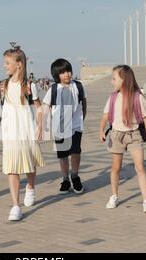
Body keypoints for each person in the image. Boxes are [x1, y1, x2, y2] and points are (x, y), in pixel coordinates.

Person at [0, 47, 45, 221]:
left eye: (7, 62)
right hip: (10, 132)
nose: (4, 65)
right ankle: (16, 205)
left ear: (19, 65)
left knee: (29, 164)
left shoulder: (29, 86)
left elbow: (39, 109)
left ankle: (30, 187)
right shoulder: (3, 85)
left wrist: (39, 127)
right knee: (12, 168)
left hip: (26, 130)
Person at [98, 65, 146, 213]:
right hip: (116, 135)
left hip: (134, 136)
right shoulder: (113, 97)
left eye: (114, 78)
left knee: (140, 167)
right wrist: (101, 130)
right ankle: (114, 196)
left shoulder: (138, 97)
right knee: (116, 168)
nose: (112, 82)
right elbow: (105, 116)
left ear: (124, 80)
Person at [42, 59, 87, 195]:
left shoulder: (78, 86)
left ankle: (75, 176)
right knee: (62, 155)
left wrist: (81, 118)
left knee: (75, 152)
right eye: (62, 73)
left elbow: (83, 102)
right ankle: (65, 179)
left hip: (76, 126)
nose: (66, 74)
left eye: (68, 71)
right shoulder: (54, 89)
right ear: (57, 75)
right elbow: (45, 105)